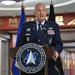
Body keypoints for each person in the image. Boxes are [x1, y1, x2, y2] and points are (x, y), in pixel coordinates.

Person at [16, 3, 63, 75]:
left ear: (46, 12)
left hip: (48, 65)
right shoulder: (26, 26)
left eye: (43, 10)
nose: (41, 12)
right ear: (35, 13)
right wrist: (21, 55)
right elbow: (19, 44)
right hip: (30, 65)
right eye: (39, 10)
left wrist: (56, 51)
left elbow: (58, 43)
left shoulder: (53, 26)